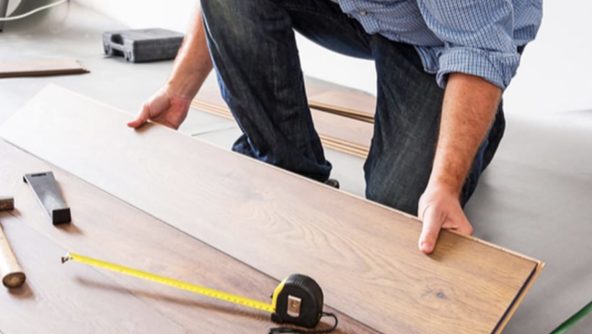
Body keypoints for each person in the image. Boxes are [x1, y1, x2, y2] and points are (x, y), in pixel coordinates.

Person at [127, 0, 541, 254]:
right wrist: (178, 90)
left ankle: (479, 120)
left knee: (399, 207)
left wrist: (445, 182)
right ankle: (291, 170)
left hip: (445, 41)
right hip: (365, 9)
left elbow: (478, 46)